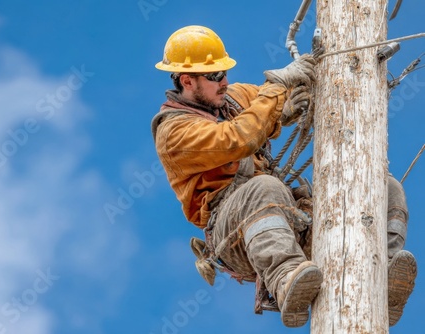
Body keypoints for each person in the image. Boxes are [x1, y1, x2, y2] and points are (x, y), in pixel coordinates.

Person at [151, 25, 416, 328]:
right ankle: (286, 280)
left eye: (224, 72)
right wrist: (279, 88)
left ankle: (383, 275)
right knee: (264, 186)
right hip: (237, 233)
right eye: (214, 77)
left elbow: (266, 99)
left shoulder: (233, 98)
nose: (224, 81)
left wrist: (290, 102)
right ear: (187, 80)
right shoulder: (173, 133)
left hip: (284, 217)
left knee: (385, 188)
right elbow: (240, 138)